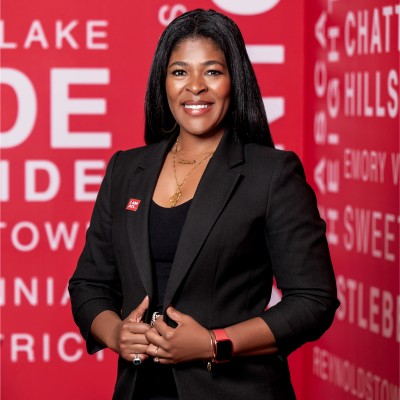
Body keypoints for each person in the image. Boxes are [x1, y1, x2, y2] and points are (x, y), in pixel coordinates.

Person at [68, 8, 339, 400]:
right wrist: (116, 333)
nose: (195, 87)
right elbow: (89, 284)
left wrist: (214, 343)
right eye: (180, 72)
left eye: (212, 71)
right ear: (163, 83)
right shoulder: (126, 169)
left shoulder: (271, 174)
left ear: (234, 81)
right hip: (140, 390)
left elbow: (314, 300)